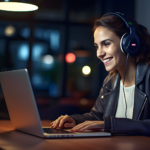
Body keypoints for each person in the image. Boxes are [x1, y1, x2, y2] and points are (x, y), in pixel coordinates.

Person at [50, 12, 150, 135]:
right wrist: (75, 120)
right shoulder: (110, 81)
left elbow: (107, 124)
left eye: (106, 44)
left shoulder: (148, 76)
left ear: (128, 43)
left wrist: (111, 125)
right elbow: (97, 117)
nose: (99, 54)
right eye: (97, 46)